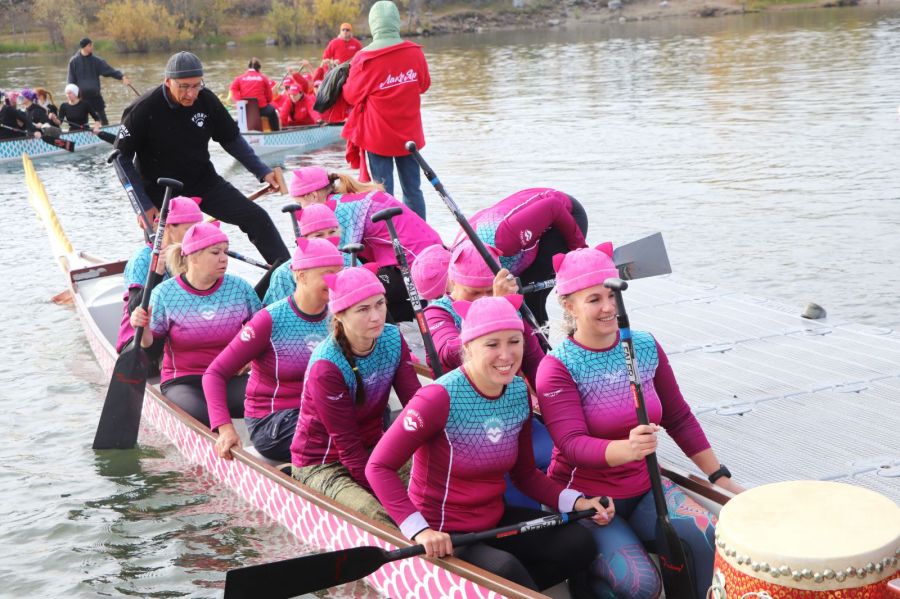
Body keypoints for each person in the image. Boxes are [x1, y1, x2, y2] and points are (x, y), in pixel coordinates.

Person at [366, 295, 613, 597]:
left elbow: (525, 475)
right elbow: (378, 467)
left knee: (579, 543)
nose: (506, 355)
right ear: (468, 347)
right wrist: (420, 530)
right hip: (443, 531)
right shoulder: (438, 399)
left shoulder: (518, 391)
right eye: (492, 344)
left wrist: (576, 501)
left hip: (492, 519)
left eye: (514, 341)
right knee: (505, 569)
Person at [536, 244, 744, 599]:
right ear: (568, 305)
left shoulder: (644, 346)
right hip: (589, 497)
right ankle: (585, 586)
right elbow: (571, 443)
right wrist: (627, 448)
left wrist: (720, 479)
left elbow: (678, 416)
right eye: (594, 299)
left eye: (612, 295)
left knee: (708, 537)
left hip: (646, 486)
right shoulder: (557, 367)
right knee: (641, 584)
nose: (607, 307)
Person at [115, 51, 290, 266]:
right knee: (167, 254)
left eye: (196, 85)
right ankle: (155, 294)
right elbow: (120, 159)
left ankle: (289, 276)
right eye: (184, 86)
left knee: (257, 219)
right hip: (159, 192)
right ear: (167, 81)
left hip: (203, 182)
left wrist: (262, 171)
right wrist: (142, 205)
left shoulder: (206, 100)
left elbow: (231, 139)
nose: (191, 93)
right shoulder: (142, 109)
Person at [289, 265, 421, 522]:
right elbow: (349, 450)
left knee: (435, 485)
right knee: (382, 515)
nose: (376, 316)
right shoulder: (326, 367)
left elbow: (416, 407)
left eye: (380, 304)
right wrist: (395, 501)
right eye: (363, 309)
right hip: (323, 463)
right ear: (339, 314)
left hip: (375, 448)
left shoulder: (393, 338)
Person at [204, 238, 343, 462]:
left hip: (322, 412)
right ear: (301, 275)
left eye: (339, 273)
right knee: (339, 434)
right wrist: (225, 429)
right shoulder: (270, 320)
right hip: (273, 421)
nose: (336, 281)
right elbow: (215, 373)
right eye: (327, 273)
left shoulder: (340, 315)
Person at [129, 222, 262, 426]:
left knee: (269, 402)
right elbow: (152, 351)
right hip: (184, 382)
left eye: (226, 252)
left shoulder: (240, 288)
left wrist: (251, 360)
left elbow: (264, 335)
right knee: (209, 420)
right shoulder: (164, 294)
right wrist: (144, 329)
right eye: (215, 252)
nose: (224, 258)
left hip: (228, 377)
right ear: (193, 256)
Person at [289, 166, 443, 322]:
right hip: (430, 256)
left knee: (356, 292)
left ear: (313, 195)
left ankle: (401, 322)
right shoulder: (346, 198)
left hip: (420, 269)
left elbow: (339, 263)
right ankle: (409, 314)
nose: (300, 210)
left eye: (299, 203)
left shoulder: (335, 211)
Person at [341, 1, 431, 220]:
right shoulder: (414, 52)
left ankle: (390, 240)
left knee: (383, 193)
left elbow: (351, 96)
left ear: (373, 25)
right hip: (409, 135)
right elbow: (424, 85)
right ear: (396, 22)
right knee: (413, 189)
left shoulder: (364, 58)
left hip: (378, 136)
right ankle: (420, 237)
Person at [459, 188, 588, 327]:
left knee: (530, 297)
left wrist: (583, 254)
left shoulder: (503, 241)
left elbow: (553, 206)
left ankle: (539, 345)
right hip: (519, 232)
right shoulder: (458, 257)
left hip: (563, 216)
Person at [423, 241, 544, 387]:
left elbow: (534, 360)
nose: (484, 299)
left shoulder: (507, 306)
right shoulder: (436, 313)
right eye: (474, 293)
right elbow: (448, 356)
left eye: (490, 291)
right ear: (452, 282)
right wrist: (494, 310)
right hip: (461, 397)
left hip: (508, 394)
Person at [115, 195, 203, 354]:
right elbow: (134, 309)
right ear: (167, 227)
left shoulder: (189, 254)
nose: (196, 236)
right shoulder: (142, 259)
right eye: (189, 230)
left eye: (198, 229)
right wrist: (156, 274)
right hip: (140, 340)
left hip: (174, 330)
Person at [263, 202, 340, 305]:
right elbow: (275, 313)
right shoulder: (284, 274)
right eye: (318, 235)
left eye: (332, 232)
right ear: (304, 238)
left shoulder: (351, 259)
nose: (327, 239)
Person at [66, 37, 130, 125]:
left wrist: (122, 77)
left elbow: (110, 71)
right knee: (82, 123)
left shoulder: (96, 61)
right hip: (81, 97)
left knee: (103, 120)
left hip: (95, 96)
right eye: (90, 45)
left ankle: (108, 136)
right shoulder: (73, 61)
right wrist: (70, 94)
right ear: (83, 47)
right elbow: (70, 80)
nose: (92, 47)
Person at [229, 58, 279, 131]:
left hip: (246, 109)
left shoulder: (239, 78)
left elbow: (233, 89)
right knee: (272, 111)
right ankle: (275, 133)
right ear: (259, 68)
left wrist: (239, 101)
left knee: (238, 117)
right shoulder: (263, 78)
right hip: (262, 109)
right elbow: (269, 98)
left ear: (248, 67)